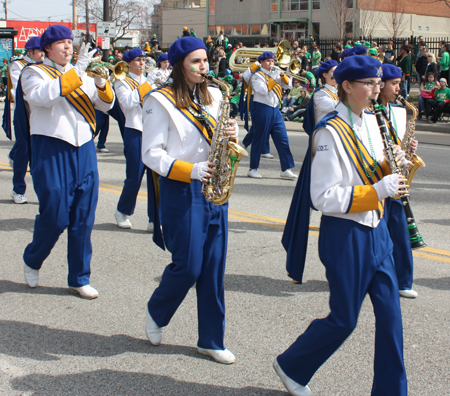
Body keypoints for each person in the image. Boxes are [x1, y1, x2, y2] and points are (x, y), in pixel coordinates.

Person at [276, 55, 408, 396]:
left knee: (392, 319)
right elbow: (323, 197)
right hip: (345, 235)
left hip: (377, 231)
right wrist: (377, 190)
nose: (377, 90)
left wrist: (394, 166)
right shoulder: (330, 132)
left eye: (379, 83)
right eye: (370, 84)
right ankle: (292, 365)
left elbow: (371, 169)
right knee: (344, 319)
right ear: (347, 86)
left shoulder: (372, 121)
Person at [141, 36, 238, 364]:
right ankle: (157, 310)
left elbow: (217, 136)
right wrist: (192, 170)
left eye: (205, 61)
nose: (204, 67)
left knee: (213, 268)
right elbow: (151, 155)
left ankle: (211, 339)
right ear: (180, 64)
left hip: (215, 190)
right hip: (182, 189)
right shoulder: (160, 100)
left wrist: (231, 137)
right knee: (189, 266)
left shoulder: (214, 95)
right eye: (196, 61)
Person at [20, 25, 115, 298]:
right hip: (51, 148)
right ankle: (33, 258)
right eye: (60, 43)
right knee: (56, 215)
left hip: (83, 147)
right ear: (47, 48)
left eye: (69, 42)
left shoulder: (81, 74)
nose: (67, 47)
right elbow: (43, 97)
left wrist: (99, 82)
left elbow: (105, 105)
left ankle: (79, 277)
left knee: (83, 217)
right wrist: (79, 69)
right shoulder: (33, 72)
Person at [377, 63, 419, 298]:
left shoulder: (401, 111)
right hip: (375, 176)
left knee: (401, 230)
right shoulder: (369, 111)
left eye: (399, 84)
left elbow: (403, 140)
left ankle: (404, 280)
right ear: (381, 85)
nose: (398, 89)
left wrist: (411, 147)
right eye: (394, 84)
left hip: (397, 177)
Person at [113, 48, 155, 230]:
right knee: (134, 177)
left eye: (144, 60)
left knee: (156, 177)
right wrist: (148, 85)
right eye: (138, 60)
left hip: (153, 130)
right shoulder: (122, 82)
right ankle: (122, 211)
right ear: (129, 63)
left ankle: (154, 218)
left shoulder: (148, 80)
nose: (142, 63)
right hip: (135, 130)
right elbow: (128, 103)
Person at [242, 52, 296, 179]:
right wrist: (274, 79)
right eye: (267, 61)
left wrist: (283, 76)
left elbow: (288, 86)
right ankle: (252, 168)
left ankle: (286, 168)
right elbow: (262, 90)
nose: (271, 63)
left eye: (272, 61)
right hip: (262, 109)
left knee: (283, 139)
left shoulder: (275, 74)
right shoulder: (256, 76)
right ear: (261, 62)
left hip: (275, 109)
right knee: (259, 139)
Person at [7, 37, 44, 205]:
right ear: (30, 52)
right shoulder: (18, 66)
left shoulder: (45, 67)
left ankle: (44, 192)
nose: (43, 54)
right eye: (40, 51)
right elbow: (17, 90)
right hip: (24, 114)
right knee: (23, 152)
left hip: (39, 115)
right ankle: (18, 190)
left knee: (38, 153)